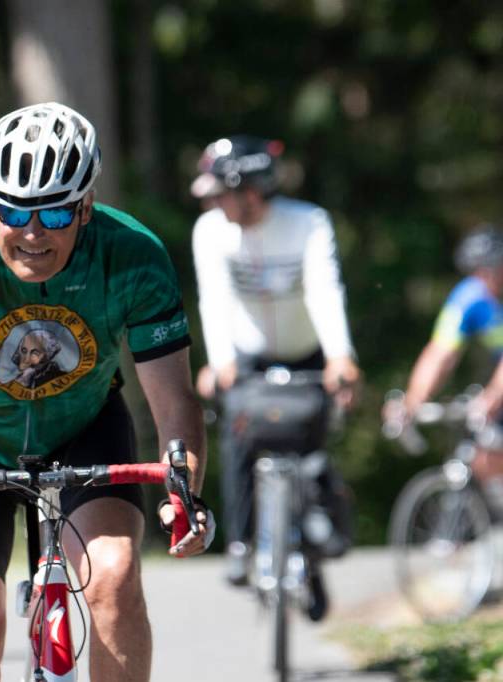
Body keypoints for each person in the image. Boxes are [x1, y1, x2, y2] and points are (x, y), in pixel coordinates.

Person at [0, 102, 213, 682]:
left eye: (55, 215)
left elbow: (176, 403)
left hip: (84, 429)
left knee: (113, 576)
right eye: (12, 211)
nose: (32, 233)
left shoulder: (132, 256)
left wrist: (186, 491)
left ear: (85, 207)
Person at [190, 135, 362, 617]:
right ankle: (242, 543)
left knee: (314, 443)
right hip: (247, 359)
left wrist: (340, 357)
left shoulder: (306, 223)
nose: (213, 203)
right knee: (239, 437)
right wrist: (219, 361)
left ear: (250, 191)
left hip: (306, 353)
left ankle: (317, 539)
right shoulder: (210, 231)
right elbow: (214, 298)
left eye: (221, 192)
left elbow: (325, 289)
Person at [387, 225, 503, 499]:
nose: (485, 278)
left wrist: (492, 397)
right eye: (478, 271)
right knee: (484, 458)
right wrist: (413, 400)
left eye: (492, 269)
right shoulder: (470, 296)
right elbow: (439, 352)